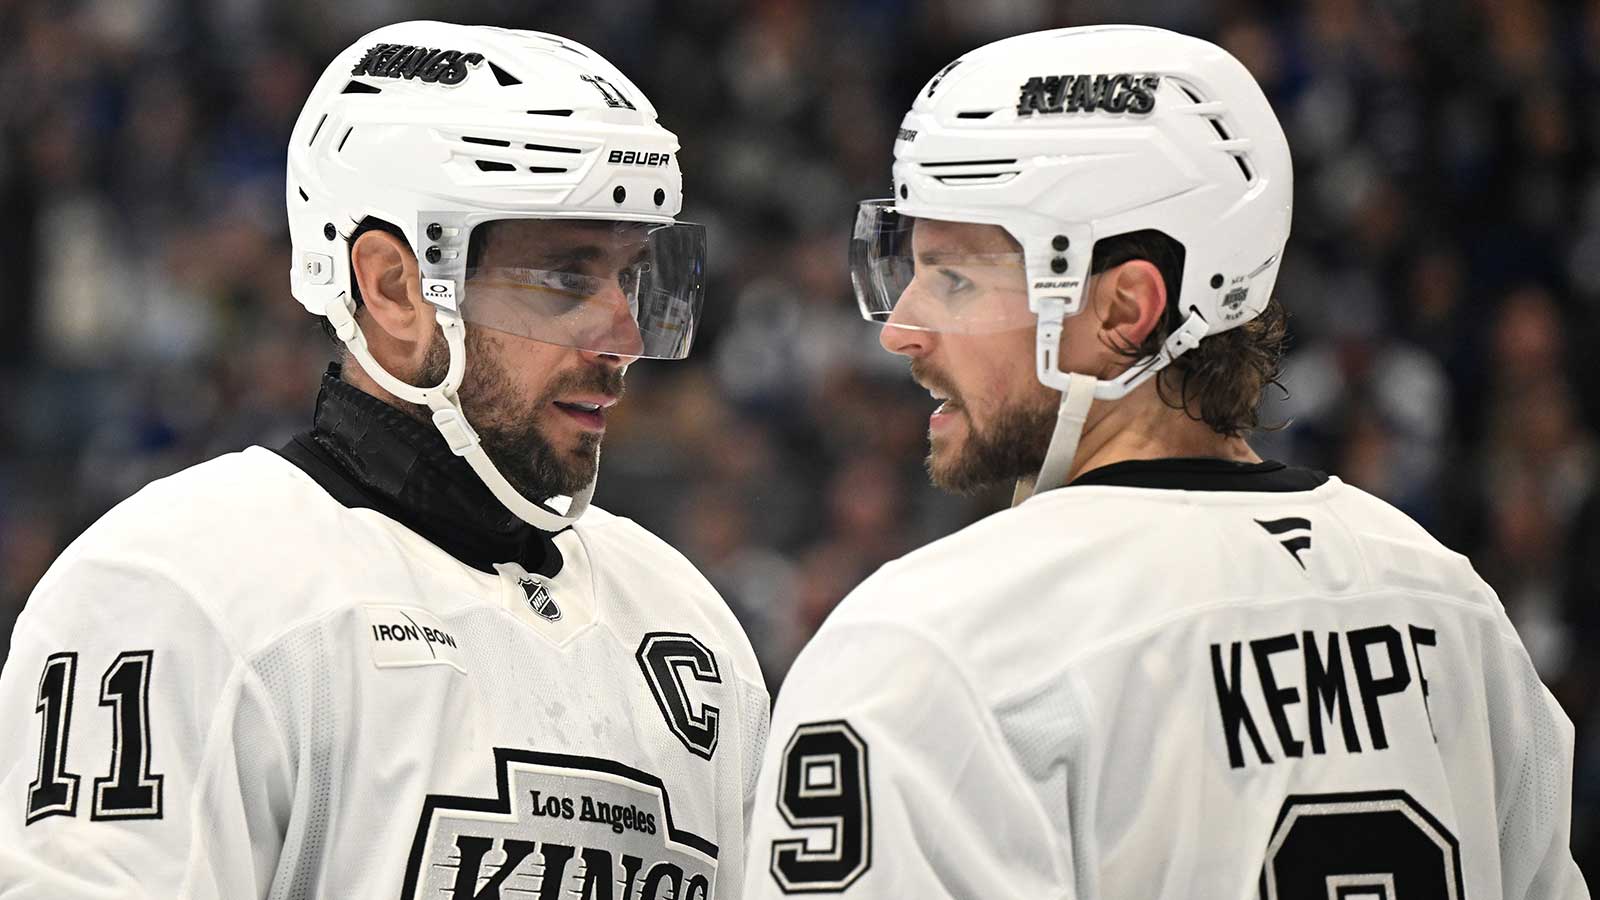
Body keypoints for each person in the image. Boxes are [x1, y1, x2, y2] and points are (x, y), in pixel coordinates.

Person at [744, 25, 1587, 899]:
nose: (900, 329)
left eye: (955, 277)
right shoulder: (1444, 600)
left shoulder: (930, 643)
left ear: (1125, 309)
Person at [0, 21, 768, 899]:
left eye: (632, 275)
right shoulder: (178, 588)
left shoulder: (689, 625)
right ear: (395, 288)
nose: (624, 336)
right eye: (564, 278)